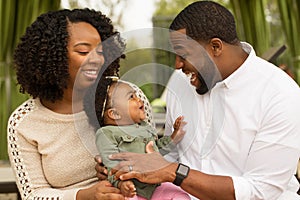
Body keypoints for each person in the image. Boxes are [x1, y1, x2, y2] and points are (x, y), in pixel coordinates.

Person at [106, 1, 300, 200]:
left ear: (215, 46)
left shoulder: (280, 94)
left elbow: (260, 191)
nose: (177, 65)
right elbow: (173, 156)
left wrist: (175, 172)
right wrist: (125, 166)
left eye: (184, 54)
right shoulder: (179, 82)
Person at [7, 8, 128, 200]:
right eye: (83, 51)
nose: (97, 59)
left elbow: (153, 156)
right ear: (52, 57)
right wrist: (84, 195)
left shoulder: (125, 97)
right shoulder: (24, 122)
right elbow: (33, 194)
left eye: (101, 51)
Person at [83, 75, 190, 200]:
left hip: (155, 186)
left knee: (179, 195)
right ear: (115, 113)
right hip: (131, 190)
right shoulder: (107, 133)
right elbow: (112, 166)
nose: (139, 99)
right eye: (131, 97)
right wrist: (121, 183)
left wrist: (173, 138)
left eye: (136, 95)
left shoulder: (145, 127)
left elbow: (157, 150)